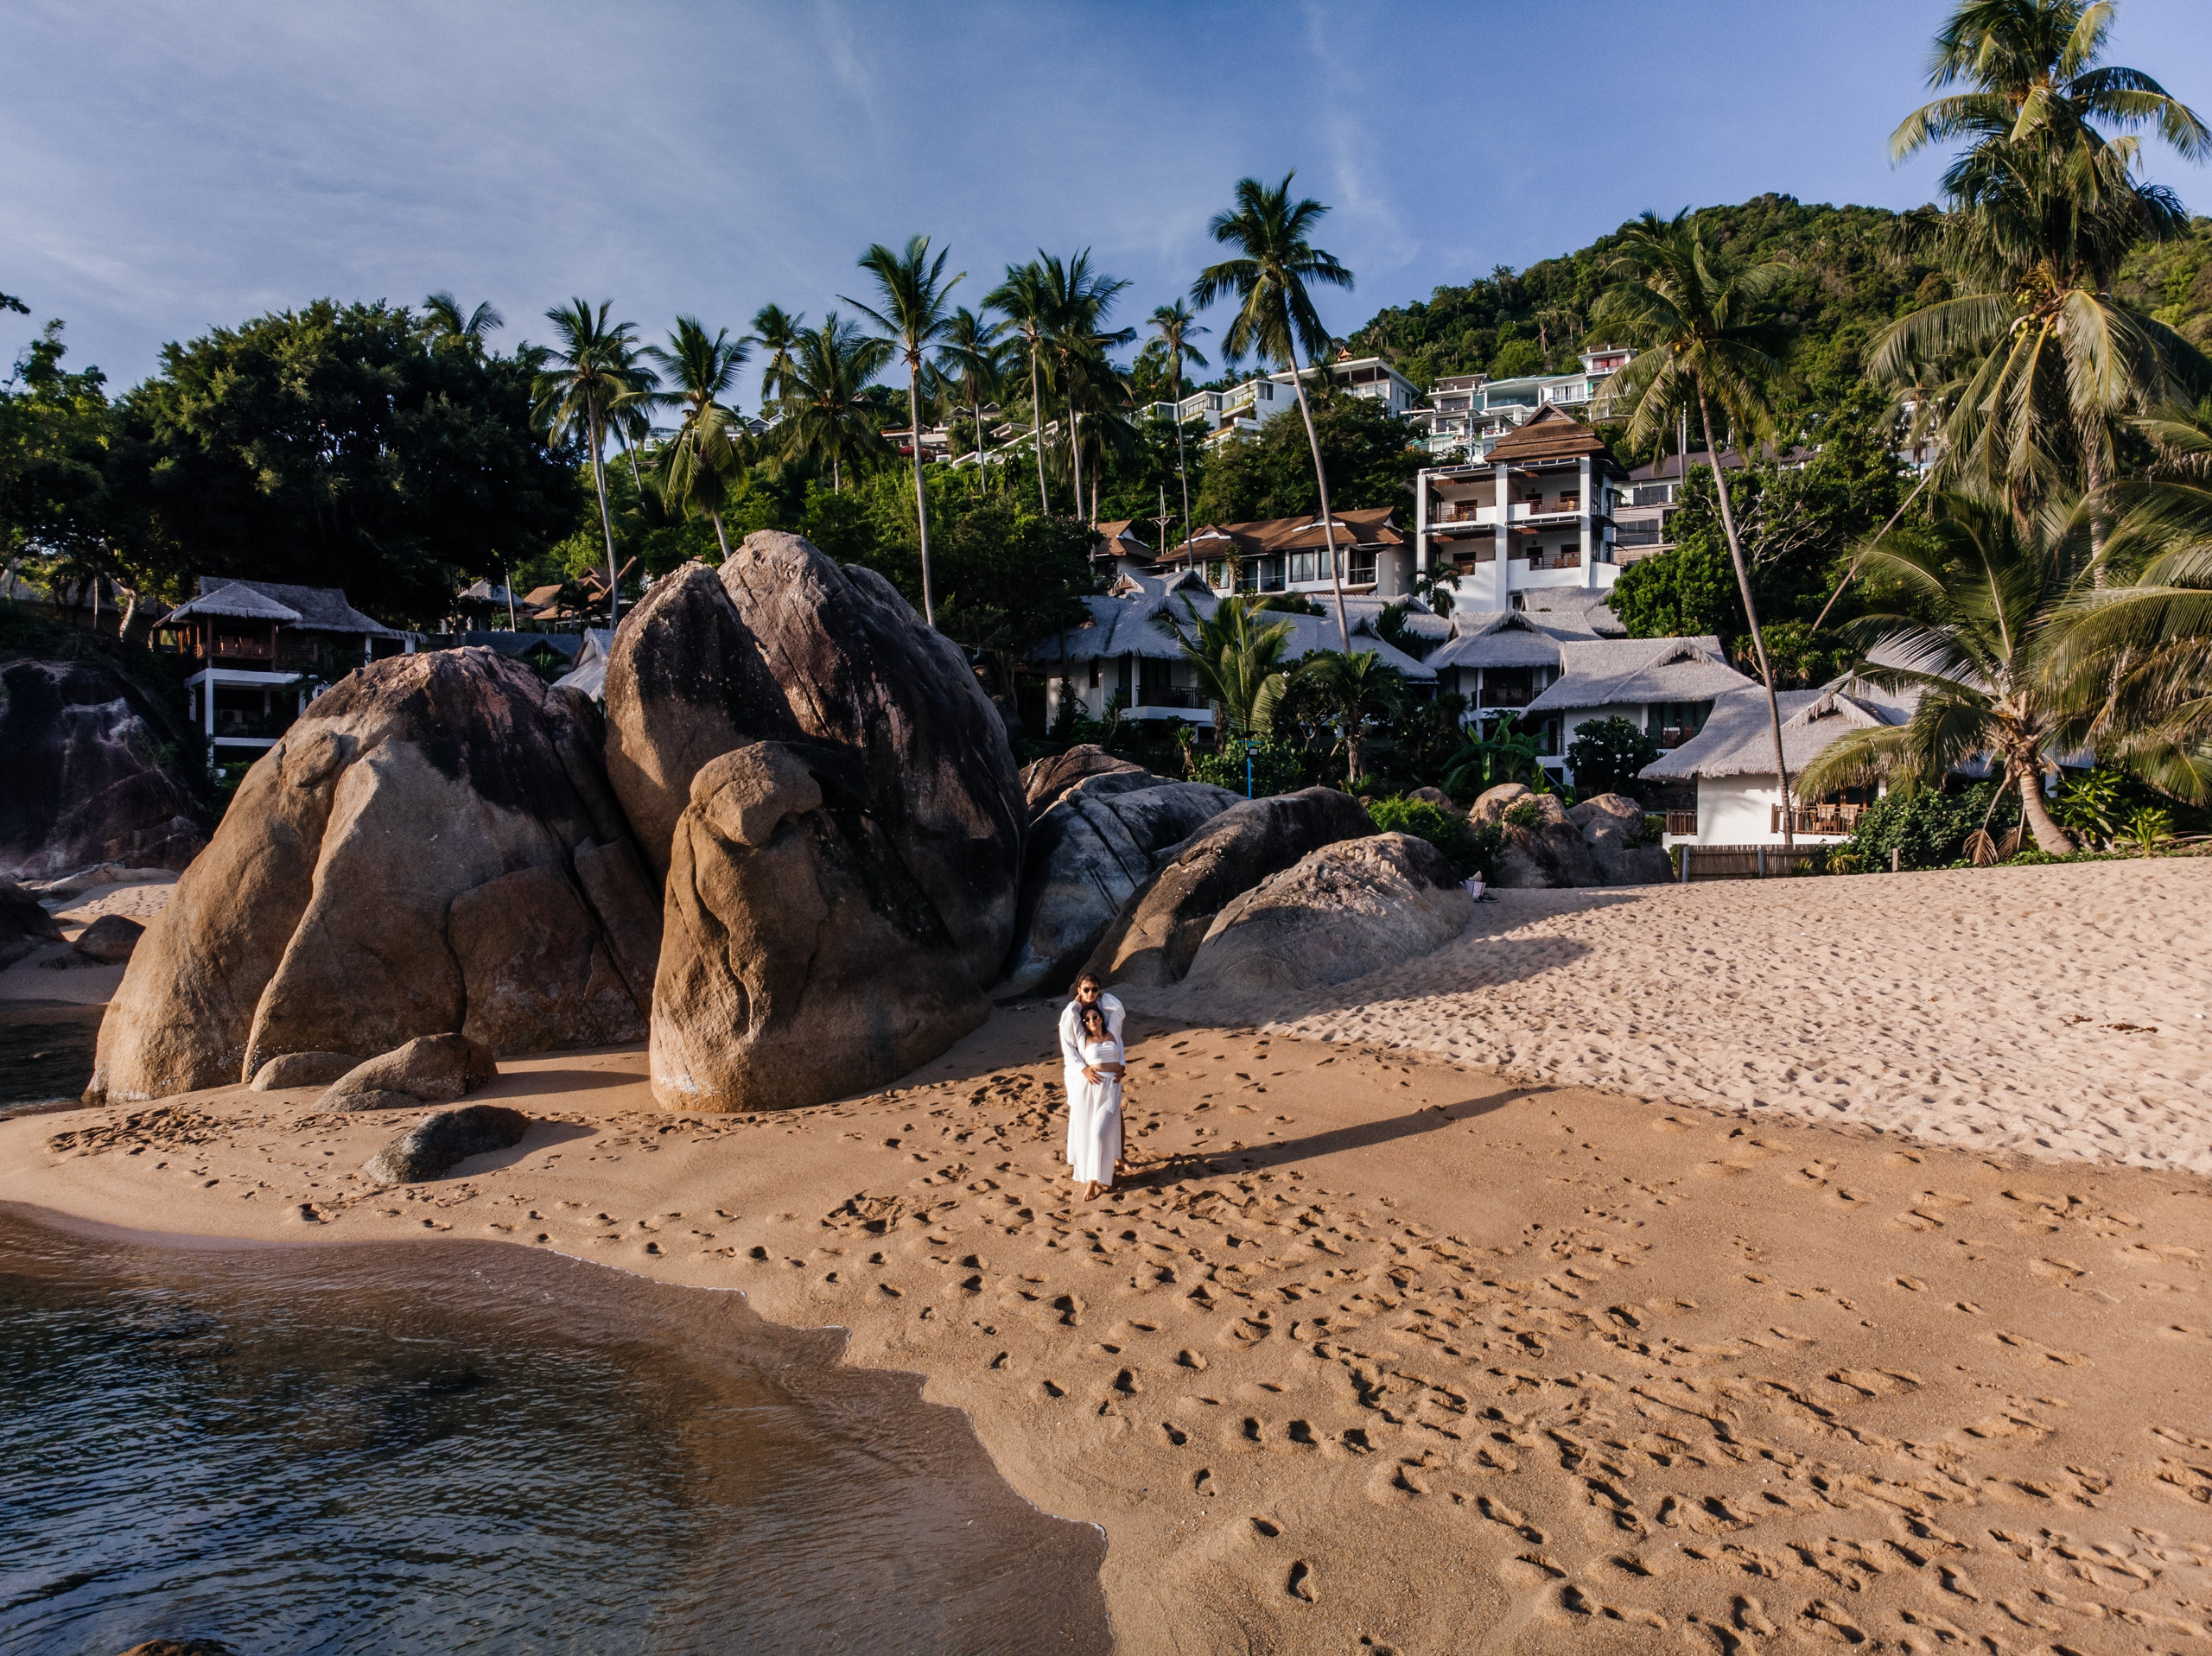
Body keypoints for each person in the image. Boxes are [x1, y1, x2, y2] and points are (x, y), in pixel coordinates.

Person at [1059, 973, 1127, 1186]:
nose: (1090, 993)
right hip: (1087, 1079)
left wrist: (1122, 1063)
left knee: (1115, 1117)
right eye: (1086, 989)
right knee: (1089, 1125)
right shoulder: (1073, 1016)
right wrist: (1083, 1069)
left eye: (1094, 989)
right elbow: (1069, 1047)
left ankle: (1119, 1157)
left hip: (1111, 1082)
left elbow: (1117, 1040)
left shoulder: (1103, 1013)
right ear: (1078, 990)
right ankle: (1092, 1173)